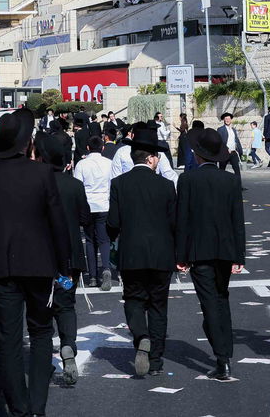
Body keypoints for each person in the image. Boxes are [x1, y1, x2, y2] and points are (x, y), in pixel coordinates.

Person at [0, 109, 69, 417]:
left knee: (7, 339)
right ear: (25, 143)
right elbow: (57, 223)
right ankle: (38, 404)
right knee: (40, 332)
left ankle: (19, 407)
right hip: (39, 264)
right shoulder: (43, 173)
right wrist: (64, 266)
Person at [106, 127, 176, 379]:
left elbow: (112, 223)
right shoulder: (167, 186)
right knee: (158, 305)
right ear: (150, 158)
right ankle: (156, 359)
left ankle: (141, 337)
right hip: (161, 254)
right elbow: (174, 223)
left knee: (134, 300)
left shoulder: (118, 184)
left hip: (131, 253)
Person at [177, 128, 246, 381]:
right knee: (221, 298)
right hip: (226, 251)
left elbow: (182, 220)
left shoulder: (187, 180)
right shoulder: (229, 181)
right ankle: (224, 352)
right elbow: (237, 221)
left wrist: (180, 255)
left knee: (209, 304)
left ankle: (222, 357)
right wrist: (240, 257)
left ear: (197, 155)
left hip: (199, 251)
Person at [38, 133, 88, 387]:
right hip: (70, 258)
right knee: (66, 304)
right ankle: (68, 345)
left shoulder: (36, 184)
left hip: (41, 256)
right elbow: (85, 218)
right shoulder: (74, 185)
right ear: (67, 161)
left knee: (42, 309)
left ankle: (44, 356)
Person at [73, 136, 114, 290]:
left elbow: (78, 187)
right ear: (102, 148)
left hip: (88, 204)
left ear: (88, 148)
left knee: (90, 240)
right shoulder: (109, 163)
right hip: (104, 203)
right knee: (104, 239)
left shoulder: (82, 164)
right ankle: (106, 268)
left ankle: (92, 276)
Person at [217, 113, 243, 186]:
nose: (227, 120)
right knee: (222, 170)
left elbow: (236, 140)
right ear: (223, 120)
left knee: (237, 170)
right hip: (224, 153)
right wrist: (226, 148)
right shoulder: (220, 129)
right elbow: (219, 141)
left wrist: (240, 151)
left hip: (233, 152)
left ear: (231, 120)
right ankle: (220, 185)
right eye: (226, 119)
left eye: (228, 119)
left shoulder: (233, 130)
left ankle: (239, 185)